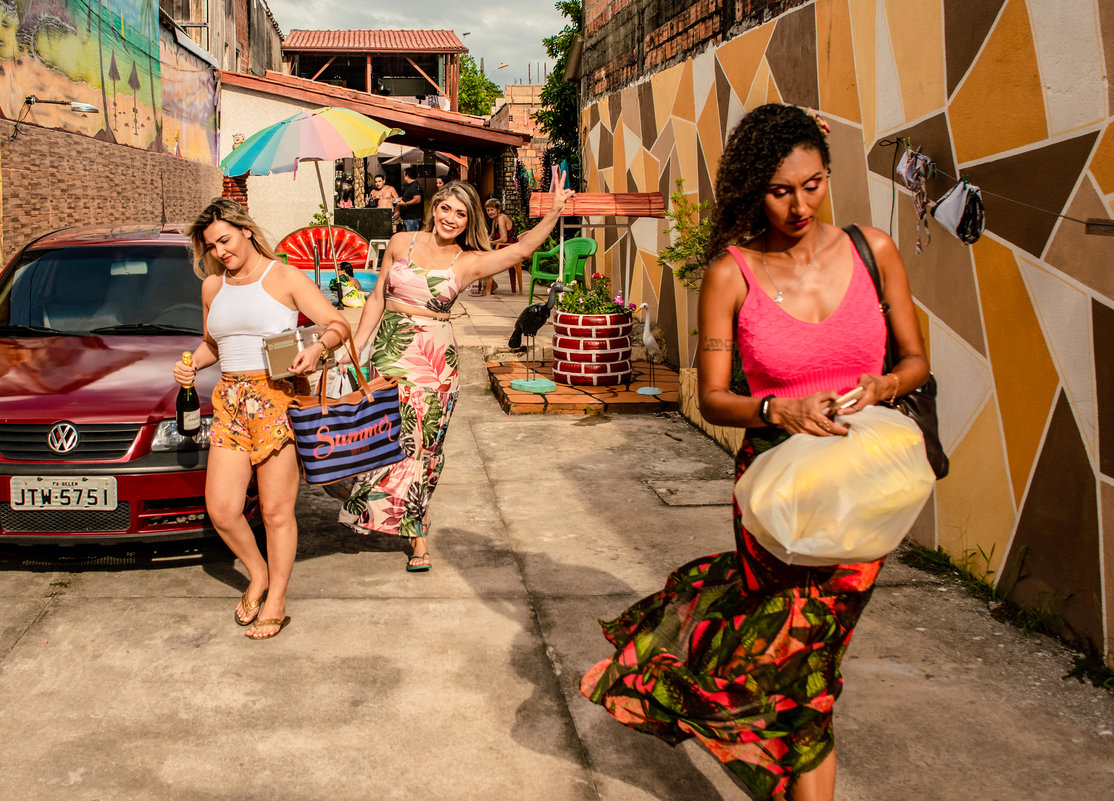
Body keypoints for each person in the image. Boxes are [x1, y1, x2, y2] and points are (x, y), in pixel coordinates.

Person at [580, 104, 928, 801]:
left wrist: (886, 381)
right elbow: (711, 397)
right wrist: (778, 406)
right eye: (780, 190)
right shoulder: (731, 275)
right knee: (806, 672)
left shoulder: (874, 249)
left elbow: (916, 359)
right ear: (751, 189)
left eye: (813, 184)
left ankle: (675, 660)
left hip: (861, 490)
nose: (800, 204)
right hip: (777, 489)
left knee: (809, 665)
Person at [338, 174, 574, 571]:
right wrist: (359, 344)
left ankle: (417, 536)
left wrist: (552, 213)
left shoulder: (467, 261)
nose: (451, 218)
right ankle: (385, 509)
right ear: (434, 209)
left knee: (422, 449)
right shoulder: (401, 243)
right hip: (390, 352)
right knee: (385, 437)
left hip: (434, 361)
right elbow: (378, 295)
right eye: (446, 208)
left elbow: (522, 250)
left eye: (461, 214)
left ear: (469, 221)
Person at [174, 198, 351, 640]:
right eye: (212, 245)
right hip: (231, 400)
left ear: (246, 231)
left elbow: (337, 323)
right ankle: (258, 572)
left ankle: (276, 599)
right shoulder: (213, 288)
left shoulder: (284, 276)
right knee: (222, 508)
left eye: (225, 240)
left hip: (276, 397)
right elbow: (214, 345)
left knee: (275, 511)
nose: (220, 251)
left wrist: (316, 349)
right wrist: (190, 365)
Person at [476, 198, 521, 296]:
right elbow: (491, 236)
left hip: (509, 249)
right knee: (479, 254)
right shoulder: (494, 221)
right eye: (488, 210)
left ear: (498, 210)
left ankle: (491, 285)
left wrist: (491, 243)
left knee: (484, 258)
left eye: (492, 209)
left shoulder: (501, 218)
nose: (490, 212)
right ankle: (488, 284)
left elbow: (504, 239)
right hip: (502, 247)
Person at [397, 168, 424, 232]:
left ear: (407, 176)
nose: (403, 177)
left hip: (412, 218)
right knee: (407, 239)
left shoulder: (414, 186)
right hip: (407, 217)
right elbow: (408, 198)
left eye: (404, 175)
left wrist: (405, 203)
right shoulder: (410, 186)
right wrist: (398, 199)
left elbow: (417, 199)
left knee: (411, 239)